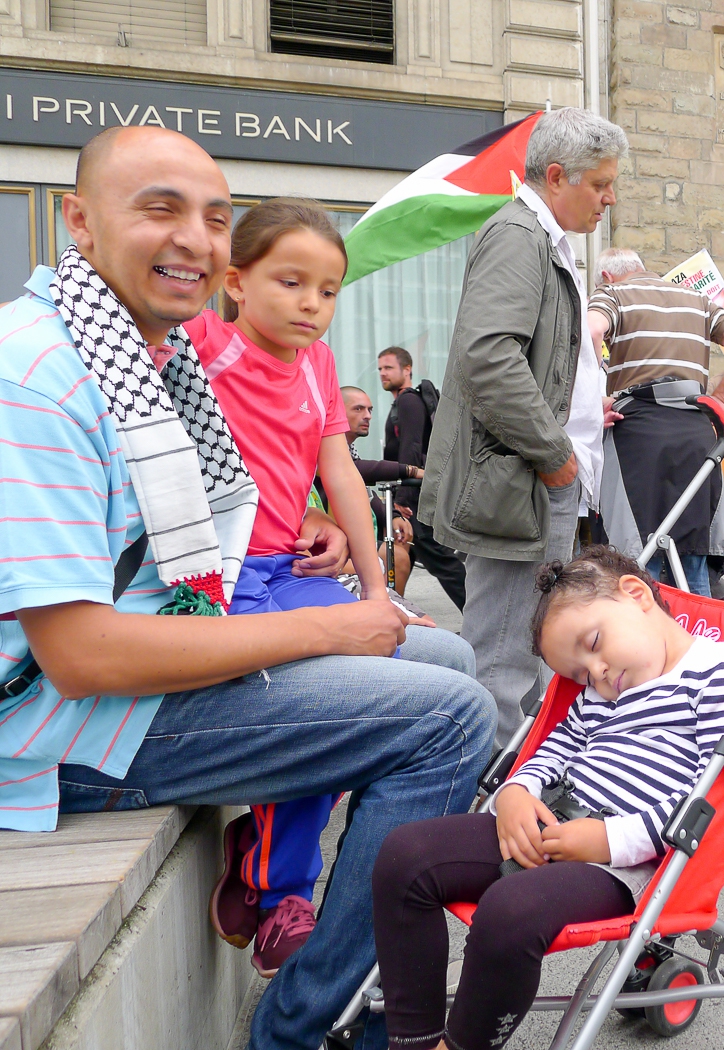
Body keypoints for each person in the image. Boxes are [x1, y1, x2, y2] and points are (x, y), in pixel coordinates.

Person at [0, 125, 496, 1050]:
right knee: (449, 717)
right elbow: (80, 654)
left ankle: (304, 894)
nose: (194, 238)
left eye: (216, 218)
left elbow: (270, 492)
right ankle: (299, 1024)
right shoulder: (37, 378)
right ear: (78, 221)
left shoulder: (147, 353)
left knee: (449, 655)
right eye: (160, 209)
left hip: (167, 643)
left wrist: (322, 540)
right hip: (60, 732)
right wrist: (330, 633)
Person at [370, 547, 724, 1050]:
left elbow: (710, 804)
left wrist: (608, 840)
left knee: (509, 913)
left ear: (636, 594)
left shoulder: (718, 670)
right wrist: (515, 791)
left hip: (624, 862)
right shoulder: (602, 691)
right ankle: (413, 1039)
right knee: (403, 857)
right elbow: (558, 748)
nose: (594, 675)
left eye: (593, 644)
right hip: (552, 817)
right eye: (578, 675)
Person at [184, 197, 405, 977]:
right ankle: (283, 893)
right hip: (223, 579)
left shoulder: (317, 365)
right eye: (290, 282)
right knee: (318, 703)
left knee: (382, 683)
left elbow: (337, 473)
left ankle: (262, 849)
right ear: (234, 282)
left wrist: (377, 590)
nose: (311, 304)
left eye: (328, 289)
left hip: (296, 567)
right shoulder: (197, 344)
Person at [420, 107, 628, 748]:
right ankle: (485, 799)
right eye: (600, 184)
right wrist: (555, 452)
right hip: (526, 481)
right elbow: (489, 356)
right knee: (508, 652)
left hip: (534, 477)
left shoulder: (536, 237)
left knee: (530, 645)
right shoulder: (519, 235)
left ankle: (509, 786)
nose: (609, 198)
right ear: (558, 176)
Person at [587, 246, 724, 595]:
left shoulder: (613, 294)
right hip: (695, 432)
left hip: (637, 433)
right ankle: (699, 641)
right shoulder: (695, 298)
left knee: (638, 556)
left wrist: (593, 400)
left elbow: (591, 331)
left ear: (606, 276)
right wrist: (718, 402)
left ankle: (647, 641)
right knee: (692, 554)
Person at [378, 346, 467, 609]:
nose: (382, 373)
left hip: (415, 498)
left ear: (407, 370)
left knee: (440, 560)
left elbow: (412, 447)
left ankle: (479, 621)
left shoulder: (408, 401)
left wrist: (402, 498)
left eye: (389, 368)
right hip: (415, 495)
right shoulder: (403, 402)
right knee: (404, 555)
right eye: (380, 368)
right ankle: (396, 612)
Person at [339, 384, 420, 587]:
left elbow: (364, 490)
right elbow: (355, 470)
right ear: (337, 411)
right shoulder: (325, 446)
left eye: (370, 410)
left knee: (401, 543)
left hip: (344, 537)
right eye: (358, 409)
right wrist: (410, 470)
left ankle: (388, 608)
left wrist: (392, 516)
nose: (367, 416)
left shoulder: (348, 447)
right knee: (396, 558)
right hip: (317, 545)